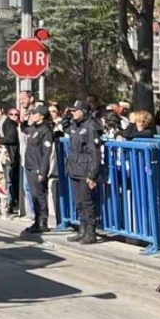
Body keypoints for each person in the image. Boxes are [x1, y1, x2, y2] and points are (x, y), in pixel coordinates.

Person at [64, 101, 101, 245]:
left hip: (85, 168)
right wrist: (66, 116)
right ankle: (82, 229)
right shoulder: (74, 125)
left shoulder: (90, 126)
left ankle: (91, 232)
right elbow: (64, 126)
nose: (73, 113)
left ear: (83, 111)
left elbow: (95, 152)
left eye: (76, 111)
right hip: (74, 167)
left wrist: (92, 174)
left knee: (87, 202)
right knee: (78, 201)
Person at [23, 106, 54, 234]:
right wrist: (25, 120)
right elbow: (24, 129)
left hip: (37, 166)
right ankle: (36, 221)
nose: (32, 115)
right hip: (30, 165)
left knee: (40, 195)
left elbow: (46, 153)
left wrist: (43, 171)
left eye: (34, 113)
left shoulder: (45, 130)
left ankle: (42, 222)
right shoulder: (33, 128)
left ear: (41, 116)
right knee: (34, 195)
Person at [0, 104, 22, 216]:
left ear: (0, 111)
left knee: (8, 182)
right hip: (0, 158)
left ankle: (9, 205)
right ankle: (7, 204)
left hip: (8, 157)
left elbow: (12, 138)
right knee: (3, 181)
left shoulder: (8, 123)